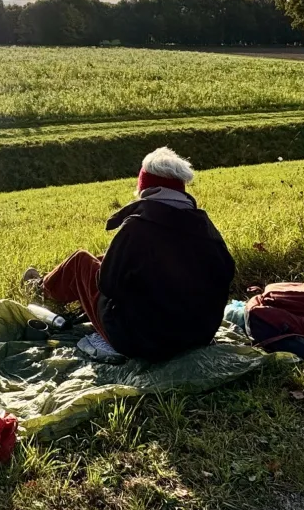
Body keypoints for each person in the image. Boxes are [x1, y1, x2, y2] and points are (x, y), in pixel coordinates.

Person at [25, 147, 235, 363]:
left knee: (81, 261)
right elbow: (225, 272)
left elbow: (107, 285)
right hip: (199, 333)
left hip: (142, 340)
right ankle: (49, 288)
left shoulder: (137, 227)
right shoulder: (204, 226)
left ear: (144, 186)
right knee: (102, 259)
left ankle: (42, 290)